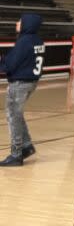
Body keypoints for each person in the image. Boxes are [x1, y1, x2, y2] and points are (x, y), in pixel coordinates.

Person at [0, 13, 44, 167]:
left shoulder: (24, 42)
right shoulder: (37, 41)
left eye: (20, 21)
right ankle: (26, 146)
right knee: (17, 114)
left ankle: (16, 154)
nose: (17, 23)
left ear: (27, 24)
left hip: (20, 83)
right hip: (31, 82)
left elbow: (10, 64)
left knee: (12, 116)